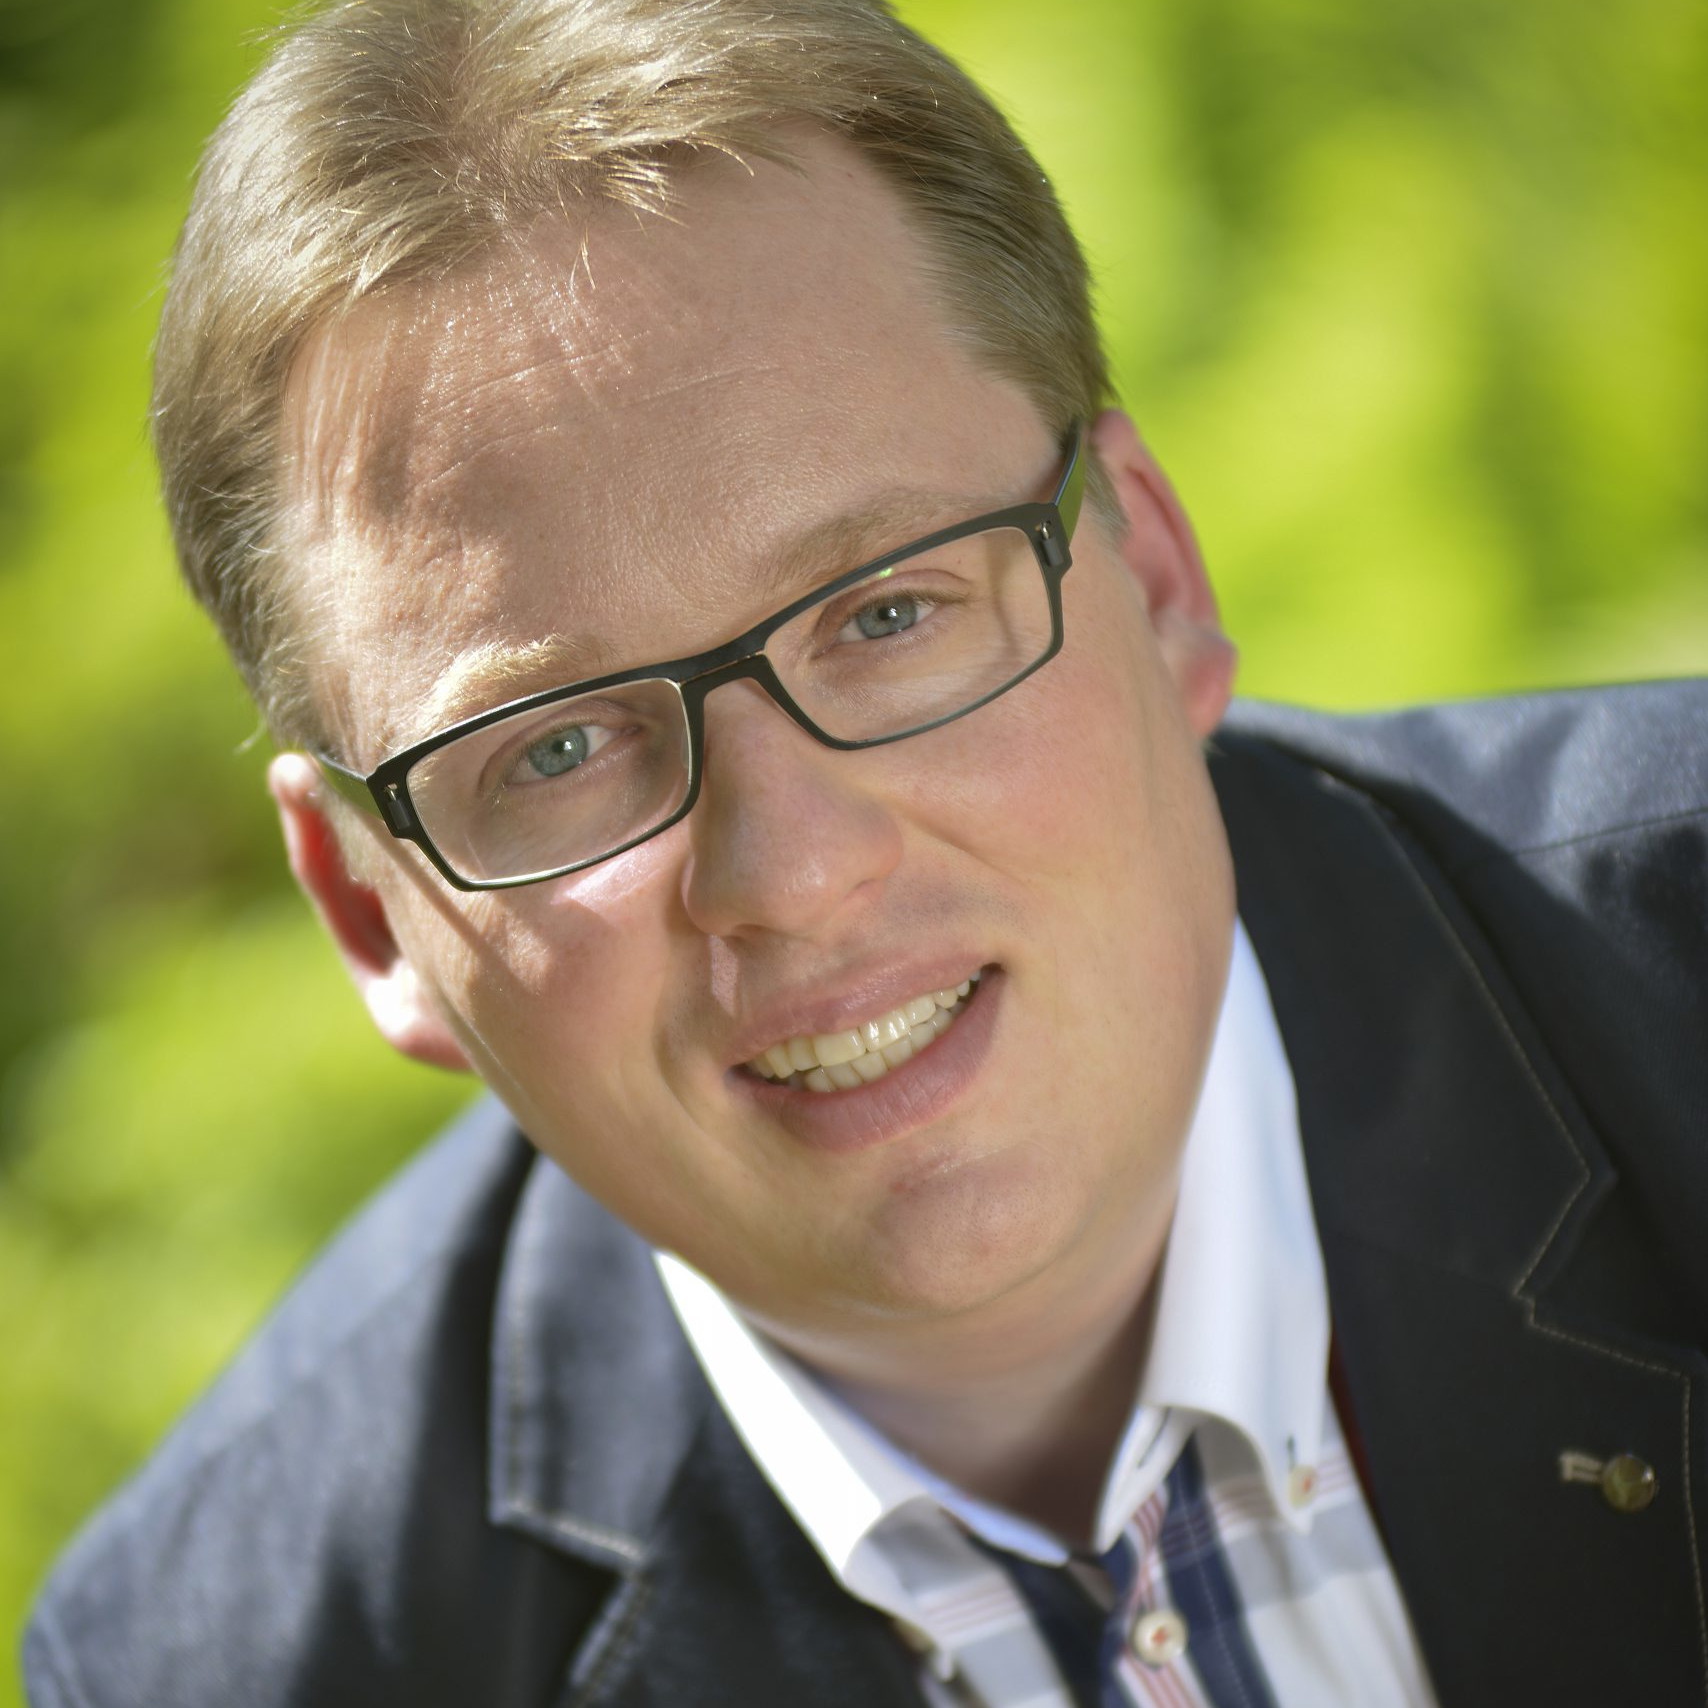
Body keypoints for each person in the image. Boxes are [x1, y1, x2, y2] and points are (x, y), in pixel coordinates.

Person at [22, 0, 1707, 1704]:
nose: (792, 868)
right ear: (370, 912)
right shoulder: (228, 1669)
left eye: (888, 613)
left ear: (1153, 579)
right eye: (554, 748)